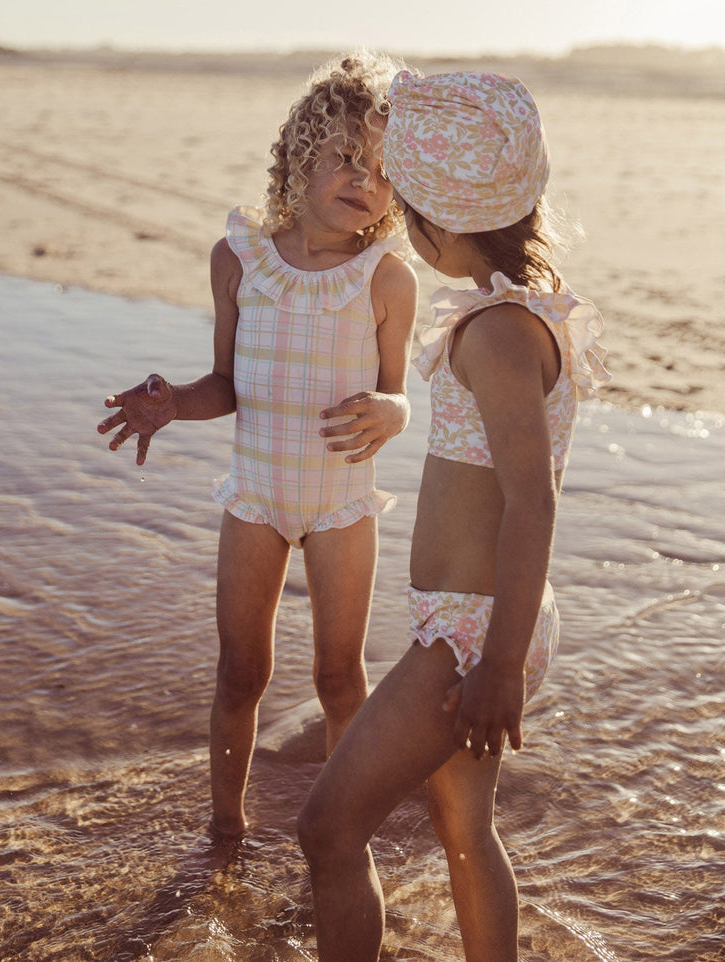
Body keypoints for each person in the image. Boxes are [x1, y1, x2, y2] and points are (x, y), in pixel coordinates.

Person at [297, 70, 610, 961]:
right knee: (464, 830)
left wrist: (499, 664)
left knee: (327, 831)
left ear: (442, 225)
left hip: (479, 632)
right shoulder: (509, 312)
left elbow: (532, 501)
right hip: (475, 618)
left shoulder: (500, 335)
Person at [97, 53, 418, 837]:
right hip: (257, 499)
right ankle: (225, 829)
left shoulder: (385, 279)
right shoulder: (240, 259)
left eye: (382, 171)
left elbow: (399, 395)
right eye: (346, 156)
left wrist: (394, 413)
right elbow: (226, 385)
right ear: (300, 152)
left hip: (343, 503)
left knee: (340, 677)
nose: (363, 181)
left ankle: (347, 832)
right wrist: (171, 404)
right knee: (241, 670)